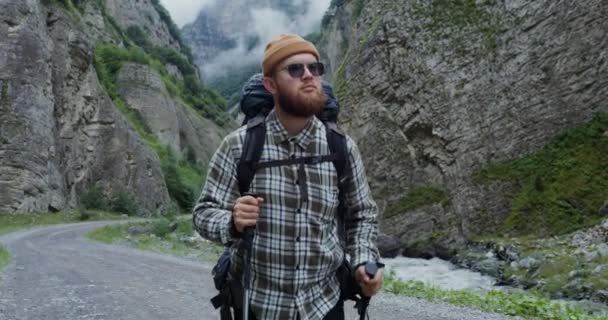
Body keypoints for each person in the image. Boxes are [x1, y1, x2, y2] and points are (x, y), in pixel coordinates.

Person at [193, 34, 382, 320]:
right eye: (295, 69)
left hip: (324, 305)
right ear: (271, 84)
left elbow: (362, 215)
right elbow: (203, 213)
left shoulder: (341, 147)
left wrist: (363, 261)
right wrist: (232, 222)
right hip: (258, 305)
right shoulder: (238, 146)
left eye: (314, 68)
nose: (308, 75)